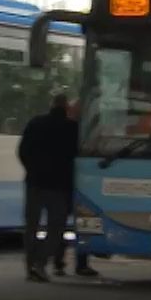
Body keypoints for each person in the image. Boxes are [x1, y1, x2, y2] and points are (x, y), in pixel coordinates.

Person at [17, 94, 83, 283]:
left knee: (31, 226)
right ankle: (41, 262)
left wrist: (32, 169)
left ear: (52, 105)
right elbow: (75, 158)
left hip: (34, 183)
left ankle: (30, 266)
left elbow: (22, 151)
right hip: (58, 186)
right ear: (67, 108)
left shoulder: (35, 123)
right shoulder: (73, 129)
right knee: (56, 229)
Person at [52, 97, 96, 278]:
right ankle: (80, 263)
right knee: (80, 225)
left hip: (62, 184)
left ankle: (59, 263)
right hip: (77, 184)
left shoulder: (63, 129)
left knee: (60, 225)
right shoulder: (80, 131)